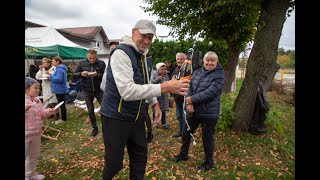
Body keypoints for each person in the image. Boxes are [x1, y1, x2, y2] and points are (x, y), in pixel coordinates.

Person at [99, 19, 190, 180]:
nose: (147, 41)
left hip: (136, 116)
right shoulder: (121, 53)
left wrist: (154, 102)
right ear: (134, 32)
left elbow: (145, 83)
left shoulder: (144, 56)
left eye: (151, 37)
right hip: (115, 116)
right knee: (114, 164)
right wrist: (164, 88)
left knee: (140, 159)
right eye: (144, 35)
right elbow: (127, 91)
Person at [171, 51, 225, 172]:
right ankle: (183, 154)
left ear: (216, 62)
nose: (210, 63)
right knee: (186, 133)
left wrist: (191, 99)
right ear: (204, 61)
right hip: (193, 110)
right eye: (208, 60)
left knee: (207, 138)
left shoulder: (219, 74)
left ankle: (208, 162)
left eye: (213, 61)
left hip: (209, 112)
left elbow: (211, 92)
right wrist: (189, 102)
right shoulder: (197, 72)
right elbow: (189, 87)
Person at [25, 77, 55, 180]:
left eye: (39, 88)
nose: (38, 90)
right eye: (35, 88)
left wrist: (48, 112)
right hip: (25, 134)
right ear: (26, 89)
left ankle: (30, 174)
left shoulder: (37, 101)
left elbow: (41, 114)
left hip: (36, 132)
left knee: (33, 155)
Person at [73, 48, 106, 137]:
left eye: (93, 58)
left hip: (99, 90)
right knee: (90, 110)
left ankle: (105, 128)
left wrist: (97, 75)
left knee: (104, 109)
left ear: (96, 56)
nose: (92, 60)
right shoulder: (81, 63)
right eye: (90, 58)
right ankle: (94, 128)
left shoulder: (101, 63)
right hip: (87, 90)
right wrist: (81, 74)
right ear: (87, 56)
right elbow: (74, 74)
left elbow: (106, 76)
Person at [48, 56, 68, 124]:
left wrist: (50, 76)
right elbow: (57, 77)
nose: (52, 62)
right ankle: (62, 118)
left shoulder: (59, 69)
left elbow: (59, 79)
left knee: (61, 104)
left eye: (53, 61)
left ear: (57, 62)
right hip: (59, 89)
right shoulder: (59, 69)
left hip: (60, 89)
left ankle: (63, 119)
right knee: (61, 104)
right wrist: (51, 74)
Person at [171, 52, 187, 138]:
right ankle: (181, 131)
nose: (179, 60)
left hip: (184, 97)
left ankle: (186, 134)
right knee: (179, 116)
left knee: (185, 117)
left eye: (181, 59)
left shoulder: (188, 70)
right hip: (177, 97)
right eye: (178, 59)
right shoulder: (176, 69)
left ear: (185, 60)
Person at [151, 62, 170, 129]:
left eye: (164, 69)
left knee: (163, 110)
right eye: (162, 69)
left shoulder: (166, 75)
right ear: (158, 69)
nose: (164, 71)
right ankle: (155, 123)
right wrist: (158, 79)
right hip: (157, 96)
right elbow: (151, 83)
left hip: (164, 95)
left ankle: (164, 123)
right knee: (156, 110)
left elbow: (168, 82)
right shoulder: (153, 74)